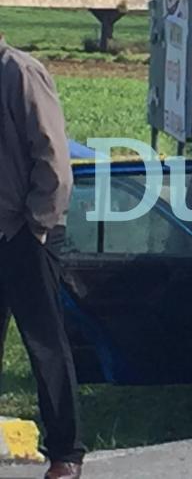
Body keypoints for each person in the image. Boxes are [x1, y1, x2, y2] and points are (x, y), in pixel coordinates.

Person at [0, 37, 85, 479]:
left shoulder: (19, 72)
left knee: (45, 345)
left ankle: (66, 452)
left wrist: (36, 225)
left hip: (26, 232)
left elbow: (53, 156)